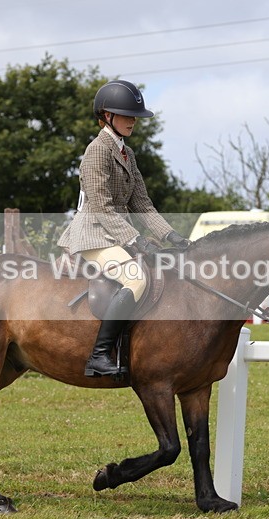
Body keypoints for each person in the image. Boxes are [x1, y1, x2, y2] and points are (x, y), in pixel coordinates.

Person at [57, 80, 191, 377]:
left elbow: (143, 204)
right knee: (136, 280)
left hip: (114, 233)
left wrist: (172, 236)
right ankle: (99, 355)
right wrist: (137, 240)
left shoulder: (127, 153)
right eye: (127, 115)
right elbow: (102, 207)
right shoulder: (97, 151)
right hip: (92, 234)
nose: (132, 122)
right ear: (106, 115)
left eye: (134, 117)